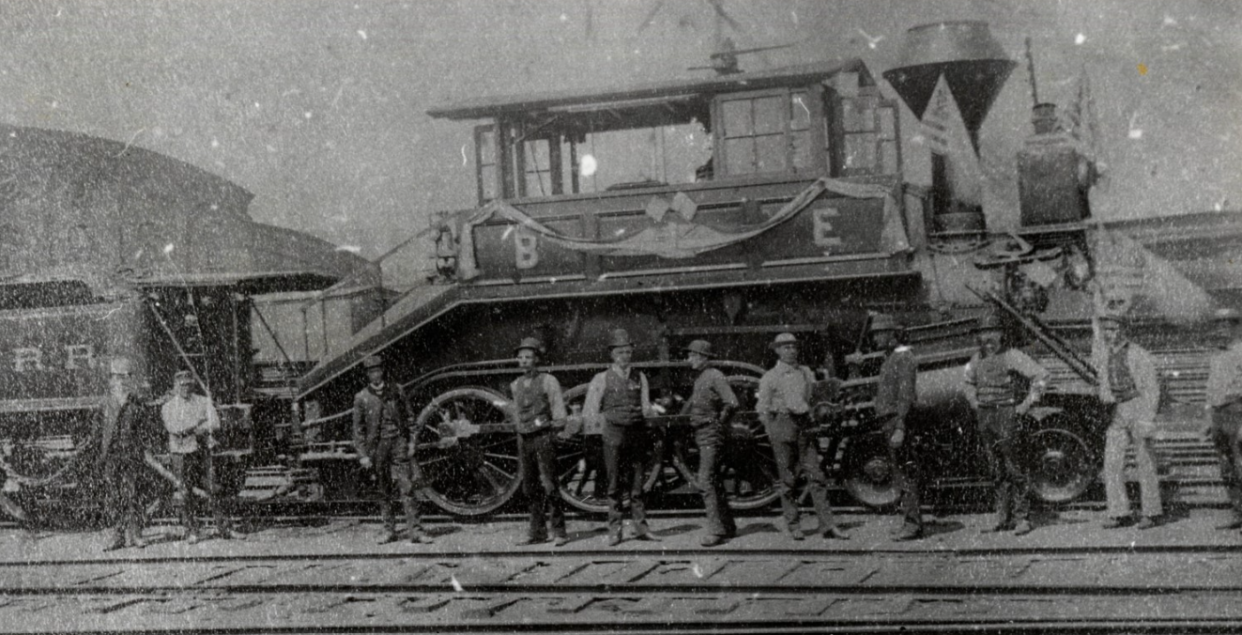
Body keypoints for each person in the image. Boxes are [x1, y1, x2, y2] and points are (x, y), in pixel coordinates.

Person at [756, 332, 849, 541]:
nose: (791, 351)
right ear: (777, 351)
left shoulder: (805, 372)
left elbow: (814, 396)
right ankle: (794, 525)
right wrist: (773, 431)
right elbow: (761, 409)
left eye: (794, 347)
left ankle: (828, 525)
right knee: (788, 480)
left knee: (817, 477)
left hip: (804, 428)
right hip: (782, 425)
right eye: (786, 347)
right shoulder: (770, 377)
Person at [964, 313, 1049, 536]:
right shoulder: (976, 359)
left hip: (1006, 414)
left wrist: (1027, 404)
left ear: (1001, 334)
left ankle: (1022, 518)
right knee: (996, 469)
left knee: (1014, 467)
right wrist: (974, 401)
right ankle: (1001, 518)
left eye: (992, 332)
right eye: (983, 333)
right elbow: (967, 382)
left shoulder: (1012, 356)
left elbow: (1041, 375)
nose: (987, 337)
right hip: (985, 416)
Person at [583, 328, 659, 546]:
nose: (625, 356)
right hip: (613, 435)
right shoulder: (601, 378)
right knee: (614, 485)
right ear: (612, 355)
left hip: (636, 434)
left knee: (637, 485)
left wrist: (655, 414)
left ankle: (641, 528)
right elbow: (590, 410)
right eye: (620, 352)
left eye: (627, 352)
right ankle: (615, 531)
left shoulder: (640, 377)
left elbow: (645, 406)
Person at [352, 355, 431, 545]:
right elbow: (358, 430)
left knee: (407, 487)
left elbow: (410, 418)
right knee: (383, 490)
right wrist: (362, 455)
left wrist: (412, 442)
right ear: (367, 375)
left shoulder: (396, 391)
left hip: (398, 443)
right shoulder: (361, 398)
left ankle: (416, 532)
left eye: (377, 371)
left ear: (382, 372)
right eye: (371, 372)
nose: (375, 375)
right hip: (377, 448)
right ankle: (389, 531)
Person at [1094, 313, 1163, 529]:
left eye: (1113, 329)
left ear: (1124, 330)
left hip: (1138, 406)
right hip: (1117, 410)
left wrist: (1148, 418)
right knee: (1112, 462)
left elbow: (1152, 389)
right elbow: (1103, 383)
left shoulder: (1139, 354)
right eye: (1106, 330)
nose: (1109, 334)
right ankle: (1118, 512)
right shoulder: (1104, 355)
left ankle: (1151, 512)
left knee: (1145, 461)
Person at [161, 370, 235, 543]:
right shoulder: (168, 407)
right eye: (182, 385)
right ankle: (192, 531)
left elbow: (215, 423)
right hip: (180, 454)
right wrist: (199, 423)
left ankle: (225, 528)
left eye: (188, 384)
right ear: (175, 386)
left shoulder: (203, 401)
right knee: (185, 492)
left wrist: (193, 428)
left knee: (213, 487)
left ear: (193, 385)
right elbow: (174, 429)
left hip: (200, 451)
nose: (185, 388)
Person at [510, 337, 570, 547]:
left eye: (528, 357)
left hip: (544, 437)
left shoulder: (548, 381)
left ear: (536, 359)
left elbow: (558, 409)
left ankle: (560, 532)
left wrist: (557, 428)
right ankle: (537, 532)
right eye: (521, 358)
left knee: (551, 485)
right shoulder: (515, 384)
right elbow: (516, 412)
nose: (524, 361)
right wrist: (519, 428)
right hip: (525, 439)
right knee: (530, 487)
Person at [682, 339, 739, 547]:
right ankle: (728, 526)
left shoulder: (714, 376)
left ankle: (716, 531)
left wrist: (719, 422)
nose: (689, 360)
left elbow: (732, 402)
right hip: (704, 433)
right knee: (713, 480)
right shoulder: (703, 377)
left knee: (705, 481)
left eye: (692, 356)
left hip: (710, 434)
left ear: (703, 357)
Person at [871, 314, 922, 541]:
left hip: (897, 421)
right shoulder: (891, 357)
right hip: (889, 421)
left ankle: (912, 525)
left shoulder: (903, 358)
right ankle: (908, 521)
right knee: (901, 473)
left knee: (906, 472)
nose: (876, 338)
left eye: (880, 333)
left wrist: (900, 426)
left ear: (893, 335)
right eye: (875, 334)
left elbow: (906, 396)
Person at [98, 357, 150, 551]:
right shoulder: (105, 404)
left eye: (125, 377)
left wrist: (141, 451)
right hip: (112, 457)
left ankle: (136, 535)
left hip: (131, 456)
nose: (121, 381)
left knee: (133, 495)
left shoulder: (137, 403)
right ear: (111, 379)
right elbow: (97, 432)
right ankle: (118, 535)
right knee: (113, 496)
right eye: (117, 377)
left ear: (130, 379)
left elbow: (145, 431)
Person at [1205, 307, 1242, 532]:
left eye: (1227, 325)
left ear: (1236, 327)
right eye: (1219, 325)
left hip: (1237, 412)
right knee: (1226, 468)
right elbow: (1210, 389)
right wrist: (1208, 418)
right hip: (1219, 414)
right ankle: (1238, 512)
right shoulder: (1217, 356)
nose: (1222, 329)